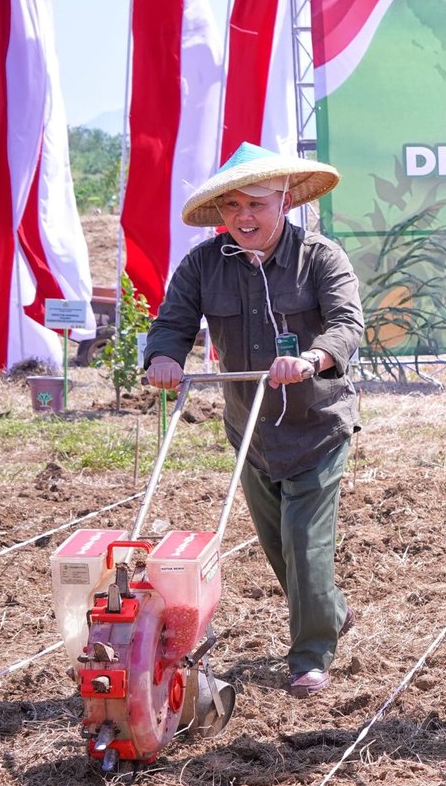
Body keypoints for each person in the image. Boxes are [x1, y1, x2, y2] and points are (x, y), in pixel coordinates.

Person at [143, 142, 363, 699]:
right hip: (251, 432)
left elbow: (346, 325)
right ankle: (329, 610)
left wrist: (313, 358)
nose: (243, 216)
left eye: (256, 204)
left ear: (284, 202)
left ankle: (310, 656)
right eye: (232, 205)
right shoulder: (203, 265)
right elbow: (172, 322)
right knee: (277, 547)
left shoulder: (320, 258)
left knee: (305, 545)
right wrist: (164, 357)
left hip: (317, 426)